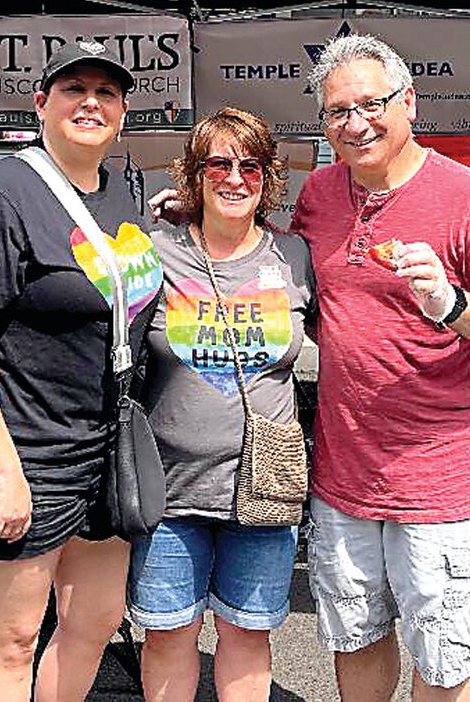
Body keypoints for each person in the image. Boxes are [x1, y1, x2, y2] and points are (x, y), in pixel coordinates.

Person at [289, 34, 470, 702]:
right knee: (357, 639)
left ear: (410, 102)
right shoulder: (317, 193)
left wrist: (454, 303)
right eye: (338, 111)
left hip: (441, 484)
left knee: (443, 660)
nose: (355, 123)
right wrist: (191, 219)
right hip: (343, 476)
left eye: (370, 104)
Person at [0, 41, 165, 702]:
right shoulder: (2, 194)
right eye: (73, 88)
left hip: (101, 443)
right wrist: (5, 471)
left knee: (96, 616)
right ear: (40, 103)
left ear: (122, 112)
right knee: (15, 634)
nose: (91, 101)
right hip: (24, 446)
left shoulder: (125, 191)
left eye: (107, 92)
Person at [129, 108, 316, 702]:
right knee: (166, 635)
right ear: (193, 173)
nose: (236, 178)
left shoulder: (295, 257)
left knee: (247, 632)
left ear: (269, 176)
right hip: (169, 488)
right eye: (218, 164)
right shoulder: (153, 254)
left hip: (263, 489)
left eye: (251, 166)